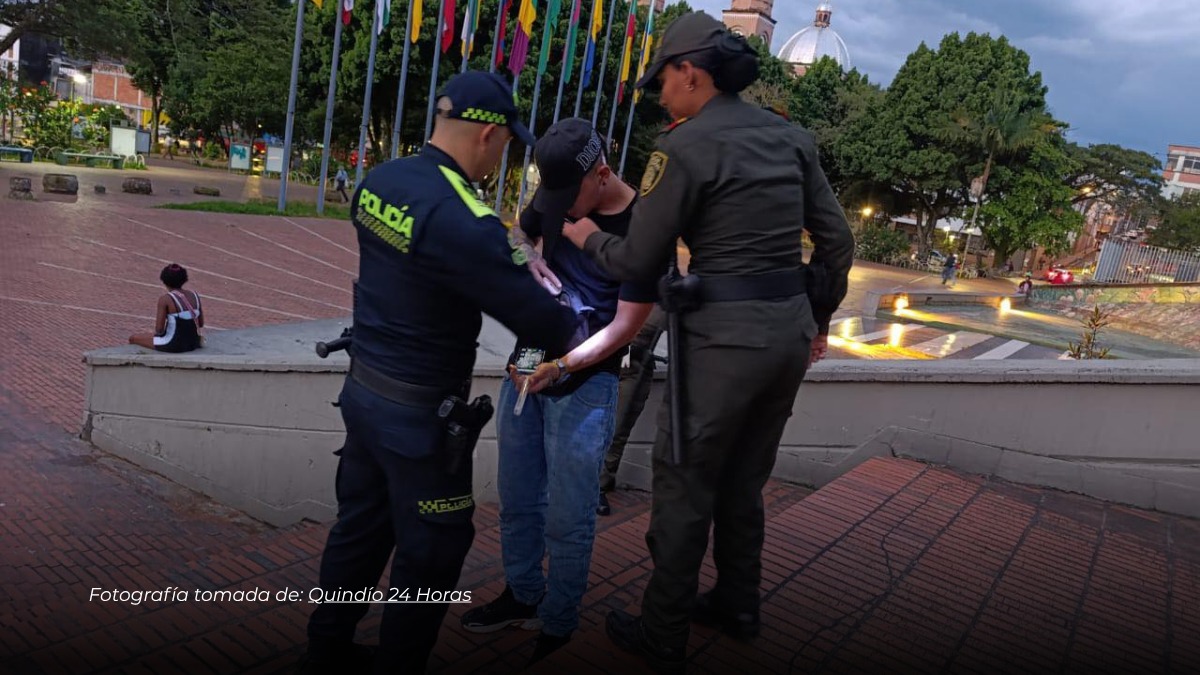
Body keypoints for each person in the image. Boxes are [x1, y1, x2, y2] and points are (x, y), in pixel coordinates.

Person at [561, 12, 855, 672]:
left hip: (722, 346)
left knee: (685, 483)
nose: (660, 94)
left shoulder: (684, 148)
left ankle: (662, 630)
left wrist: (585, 237)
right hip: (787, 336)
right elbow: (838, 243)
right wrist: (818, 319)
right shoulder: (791, 138)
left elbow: (638, 258)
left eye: (662, 80)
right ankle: (737, 604)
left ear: (690, 73)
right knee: (745, 480)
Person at [299, 71, 579, 675]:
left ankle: (326, 650)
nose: (503, 156)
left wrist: (507, 252)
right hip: (422, 422)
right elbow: (547, 323)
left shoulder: (383, 180)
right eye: (506, 144)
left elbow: (441, 257)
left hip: (364, 392)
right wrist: (553, 300)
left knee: (360, 529)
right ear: (486, 135)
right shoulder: (464, 219)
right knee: (431, 552)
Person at [460, 117, 656, 664]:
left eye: (571, 196)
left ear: (602, 174)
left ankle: (559, 619)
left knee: (569, 517)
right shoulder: (556, 196)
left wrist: (563, 365)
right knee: (518, 499)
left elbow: (626, 327)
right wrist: (529, 255)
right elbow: (519, 233)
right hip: (527, 363)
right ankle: (523, 594)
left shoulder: (644, 226)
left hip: (586, 382)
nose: (560, 207)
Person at [598, 305, 667, 515]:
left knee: (618, 429)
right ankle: (593, 481)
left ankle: (602, 482)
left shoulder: (662, 295)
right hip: (598, 360)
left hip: (634, 366)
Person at [128, 264, 204, 353]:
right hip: (193, 343)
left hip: (173, 344)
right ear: (184, 279)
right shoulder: (194, 295)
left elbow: (159, 329)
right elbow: (201, 323)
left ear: (164, 280)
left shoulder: (166, 299)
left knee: (133, 338)